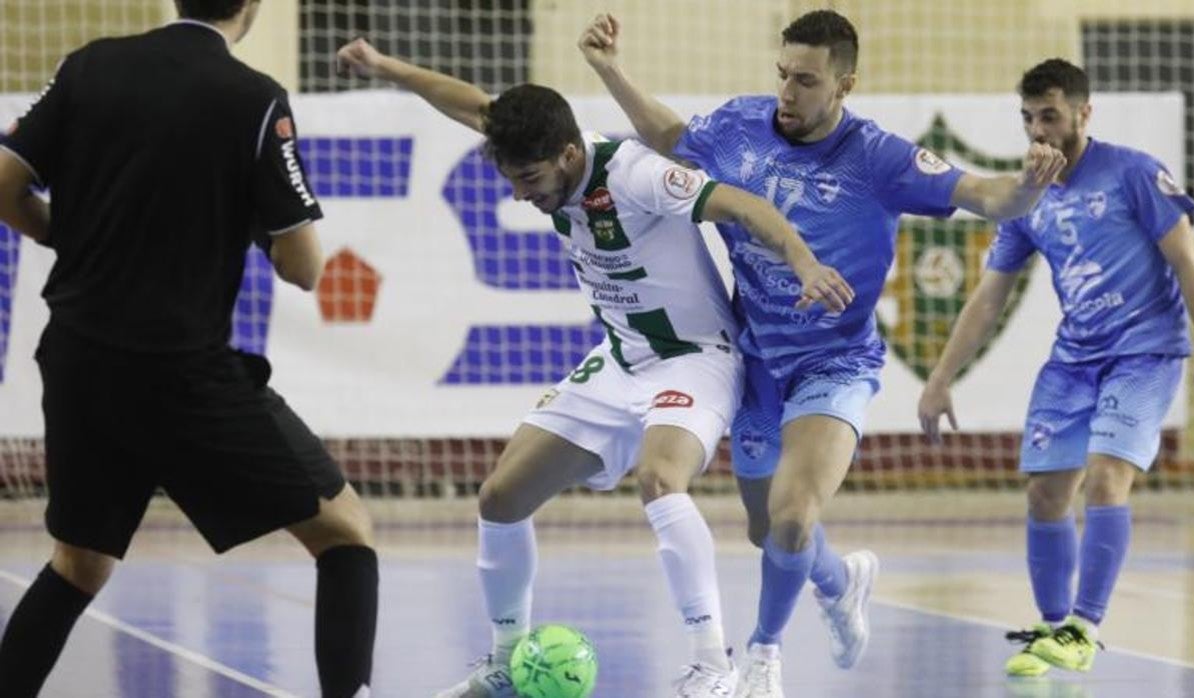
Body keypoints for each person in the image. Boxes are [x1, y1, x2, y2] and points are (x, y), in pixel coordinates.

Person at [337, 38, 851, 698]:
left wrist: (804, 264)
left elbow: (746, 207)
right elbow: (468, 103)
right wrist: (385, 68)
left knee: (661, 479)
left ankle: (710, 662)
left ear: (570, 156)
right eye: (512, 180)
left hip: (694, 359)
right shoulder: (538, 145)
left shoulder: (636, 174)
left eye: (530, 181)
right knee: (500, 498)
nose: (521, 196)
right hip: (620, 358)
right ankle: (506, 662)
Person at [579, 9, 1065, 695]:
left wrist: (1026, 187)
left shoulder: (877, 157)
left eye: (805, 81)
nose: (787, 93)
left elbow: (982, 195)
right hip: (754, 361)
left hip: (833, 364)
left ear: (845, 84)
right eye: (782, 75)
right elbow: (670, 137)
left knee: (794, 514)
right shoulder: (743, 125)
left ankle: (762, 659)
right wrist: (609, 69)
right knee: (765, 530)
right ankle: (842, 582)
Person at [0, 2, 379, 696]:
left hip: (78, 359)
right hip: (179, 372)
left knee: (77, 564)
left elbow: (5, 181)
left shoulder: (90, 67)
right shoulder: (254, 99)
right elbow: (302, 267)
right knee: (346, 531)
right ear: (253, 6)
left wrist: (68, 235)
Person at [918, 58, 1194, 677]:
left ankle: (1084, 626)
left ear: (1084, 114)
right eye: (1030, 119)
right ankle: (1054, 625)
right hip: (1075, 359)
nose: (1039, 131)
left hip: (1143, 354)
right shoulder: (1026, 197)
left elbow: (1187, 263)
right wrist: (939, 378)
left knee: (1106, 479)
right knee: (1044, 491)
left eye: (1051, 117)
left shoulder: (1134, 173)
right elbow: (990, 295)